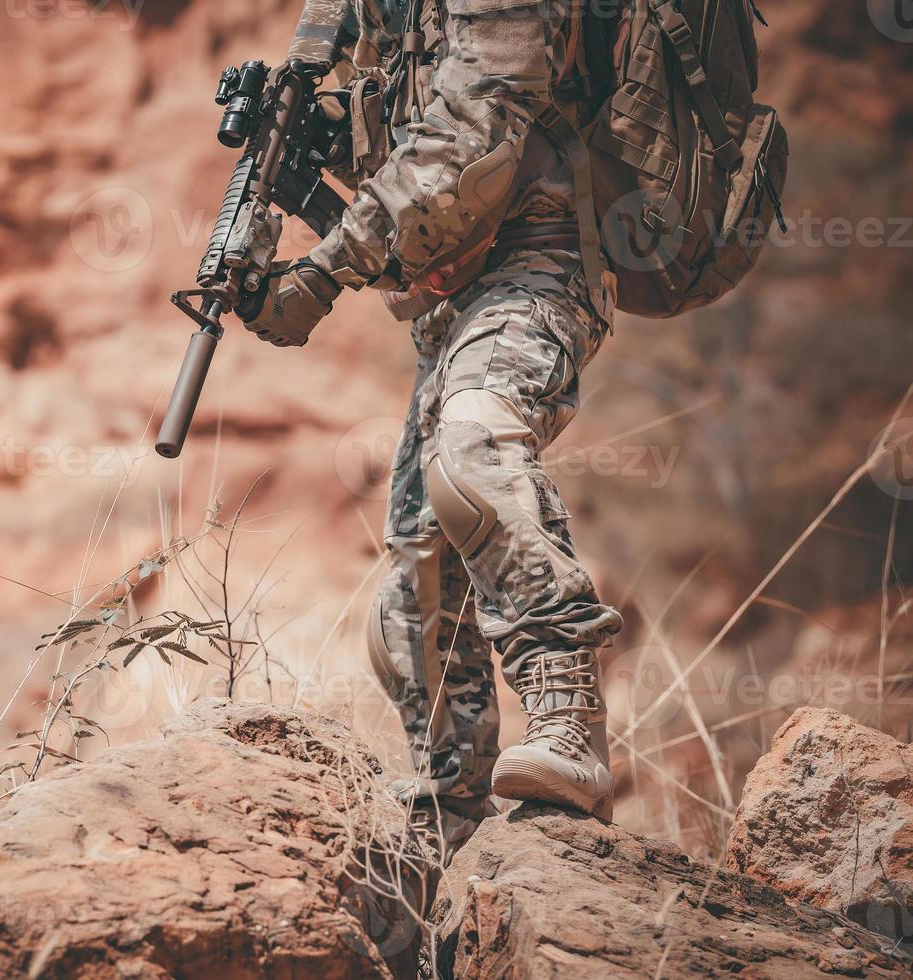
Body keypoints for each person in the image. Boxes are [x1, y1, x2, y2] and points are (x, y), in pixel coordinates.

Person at [240, 0, 623, 859]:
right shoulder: (379, 13)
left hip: (543, 264)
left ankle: (568, 725)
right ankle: (451, 822)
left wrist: (323, 272)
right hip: (446, 301)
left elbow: (466, 130)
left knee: (476, 446)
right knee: (415, 589)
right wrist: (305, 150)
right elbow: (403, 143)